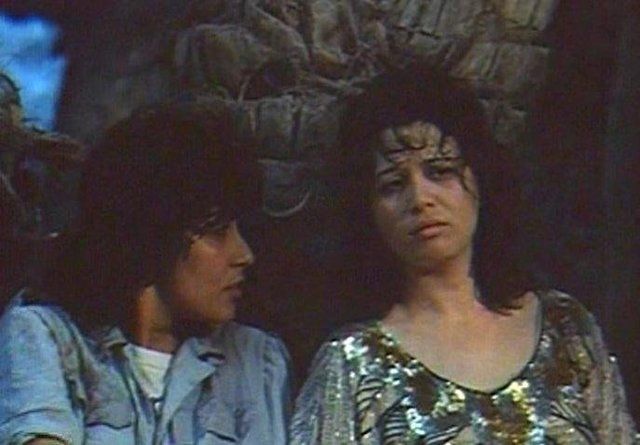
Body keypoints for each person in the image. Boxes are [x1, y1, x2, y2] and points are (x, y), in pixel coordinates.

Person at [290, 64, 637, 444]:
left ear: (481, 178)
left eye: (440, 172)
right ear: (366, 210)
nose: (420, 199)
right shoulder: (352, 363)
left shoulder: (566, 330)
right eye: (393, 185)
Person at [0, 103, 291, 444]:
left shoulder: (258, 361)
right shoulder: (46, 336)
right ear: (154, 231)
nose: (244, 255)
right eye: (217, 232)